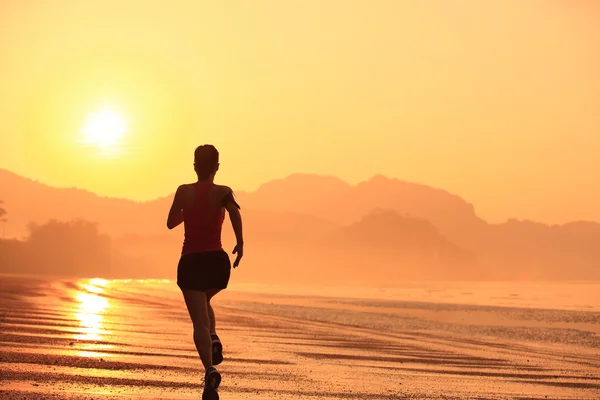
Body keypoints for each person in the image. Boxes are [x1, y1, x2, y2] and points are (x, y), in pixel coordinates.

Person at [166, 144, 244, 400]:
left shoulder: (183, 191)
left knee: (199, 319)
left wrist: (188, 212)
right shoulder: (224, 191)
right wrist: (240, 243)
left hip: (191, 262)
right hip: (217, 263)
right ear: (217, 167)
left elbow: (170, 222)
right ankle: (212, 337)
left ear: (195, 166)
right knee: (204, 302)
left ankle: (209, 369)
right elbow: (233, 211)